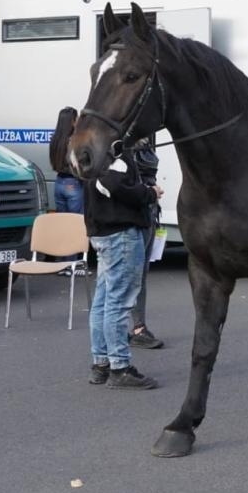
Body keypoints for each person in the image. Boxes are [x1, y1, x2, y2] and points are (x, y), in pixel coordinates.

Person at [83, 142, 163, 389]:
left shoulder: (91, 148)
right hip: (121, 233)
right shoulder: (115, 150)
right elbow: (114, 185)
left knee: (103, 301)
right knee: (118, 302)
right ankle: (120, 367)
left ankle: (101, 365)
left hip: (103, 232)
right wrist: (150, 192)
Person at [128, 138, 164, 349]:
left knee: (140, 274)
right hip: (138, 214)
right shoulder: (123, 146)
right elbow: (124, 184)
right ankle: (134, 328)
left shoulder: (144, 143)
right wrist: (150, 191)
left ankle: (139, 326)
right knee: (132, 275)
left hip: (149, 211)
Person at [49, 106, 86, 271]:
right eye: (76, 118)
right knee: (74, 225)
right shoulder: (74, 140)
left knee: (63, 225)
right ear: (72, 121)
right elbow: (77, 166)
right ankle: (71, 265)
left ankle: (61, 263)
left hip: (59, 183)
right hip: (73, 184)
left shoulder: (55, 139)